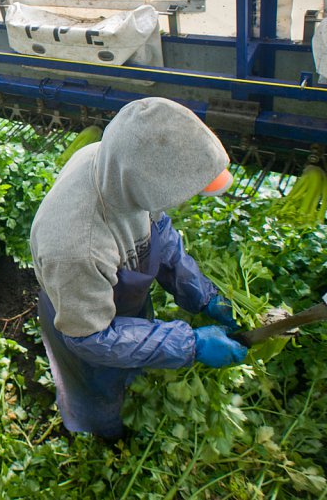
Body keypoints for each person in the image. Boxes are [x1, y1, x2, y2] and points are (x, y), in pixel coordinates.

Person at [29, 97, 247, 441]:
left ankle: (125, 387)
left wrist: (204, 297)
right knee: (98, 391)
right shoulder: (76, 247)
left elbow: (159, 234)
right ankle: (106, 438)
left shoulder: (118, 164)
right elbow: (93, 338)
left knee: (131, 357)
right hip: (84, 324)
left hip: (119, 294)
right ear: (148, 184)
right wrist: (190, 344)